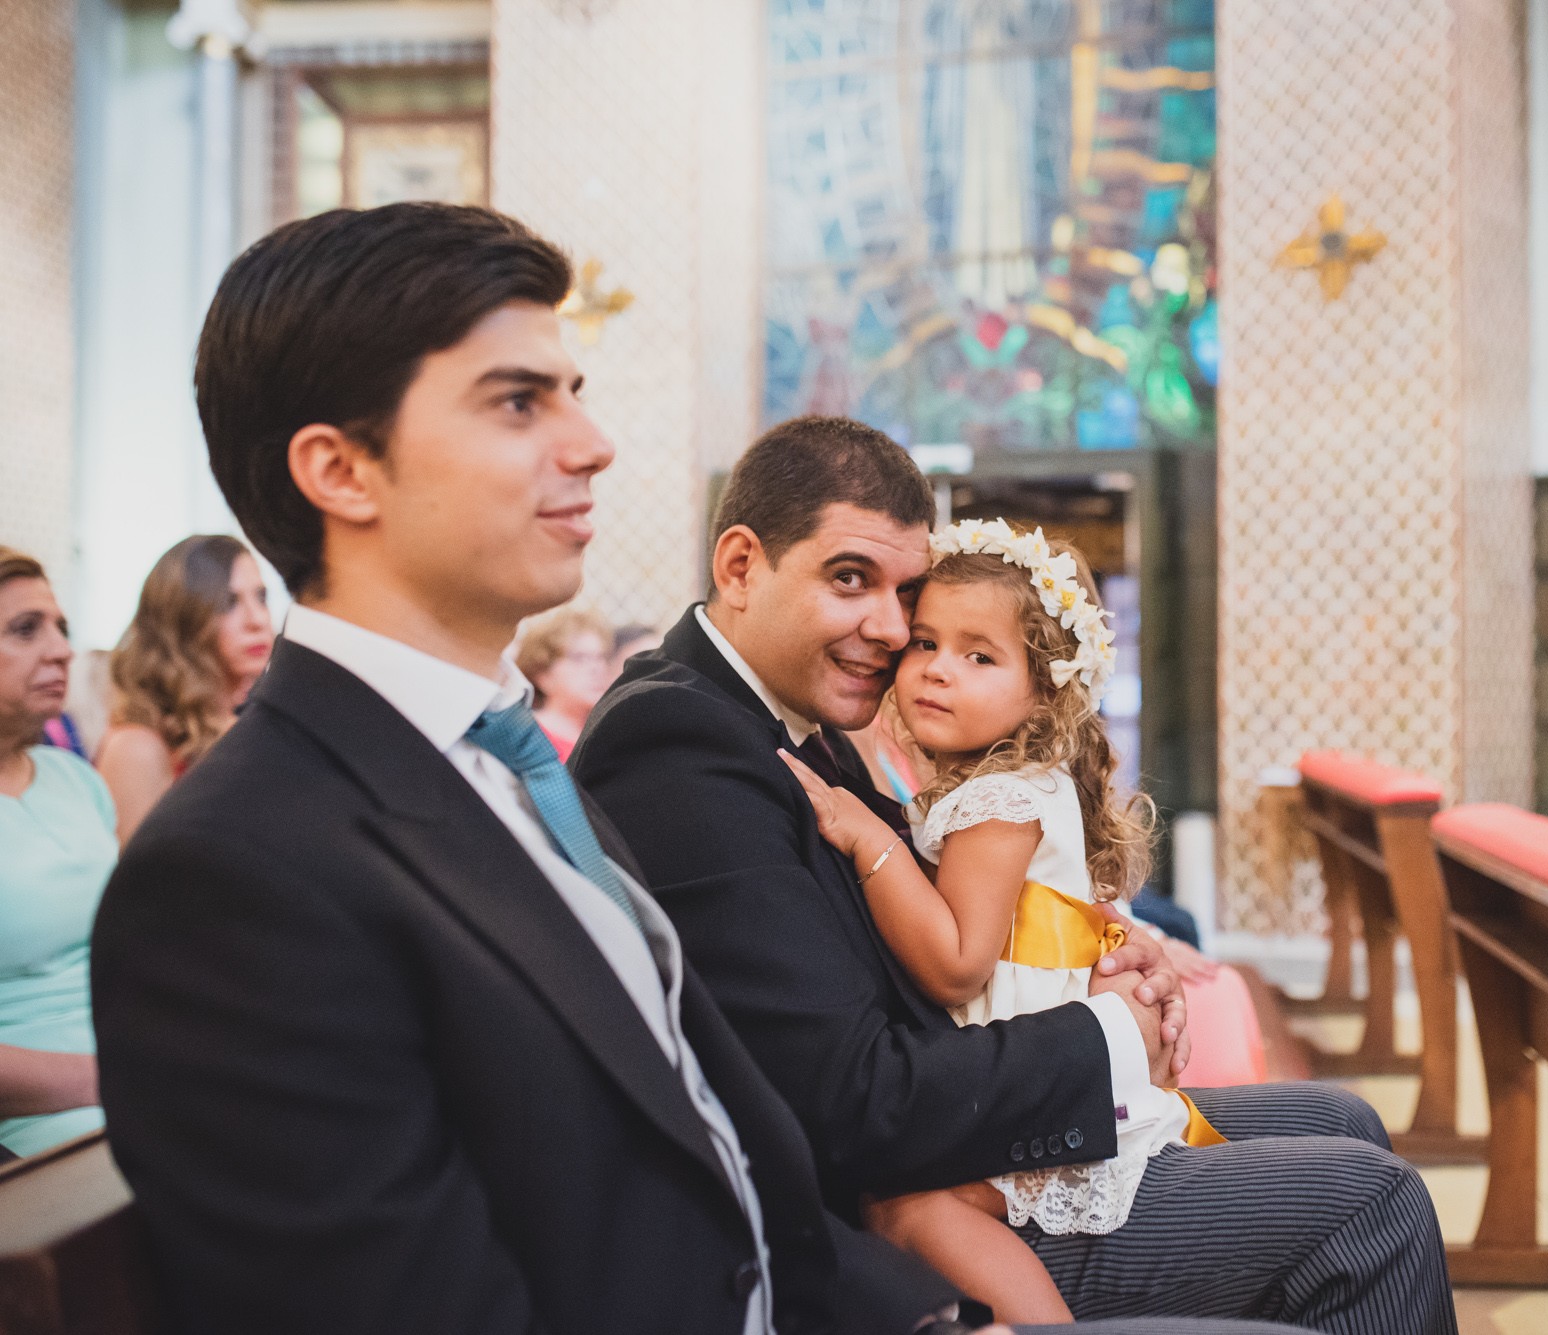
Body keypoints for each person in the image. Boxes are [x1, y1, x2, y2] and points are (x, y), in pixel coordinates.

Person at [88, 203, 1300, 1335]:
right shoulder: (239, 867)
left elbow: (734, 1134)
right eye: (518, 404)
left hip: (855, 1287)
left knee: (1346, 1177)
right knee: (1356, 1215)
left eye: (572, 393)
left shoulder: (511, 764)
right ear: (339, 471)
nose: (593, 444)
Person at [572, 416, 1458, 1334]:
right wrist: (1113, 1039)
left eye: (905, 591)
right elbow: (847, 1102)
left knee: (1341, 1121)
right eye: (850, 579)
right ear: (741, 564)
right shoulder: (676, 743)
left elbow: (947, 895)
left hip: (952, 1105)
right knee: (1370, 1205)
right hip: (881, 1214)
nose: (889, 628)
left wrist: (1113, 946)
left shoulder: (800, 721)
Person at [782, 522, 1226, 1324]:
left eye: (979, 656)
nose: (937, 670)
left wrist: (868, 838)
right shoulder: (1002, 782)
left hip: (1037, 1086)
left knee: (913, 1212)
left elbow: (956, 963)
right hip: (1044, 1069)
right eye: (925, 643)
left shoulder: (997, 800)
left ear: (1043, 691)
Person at [0, 547, 117, 1161]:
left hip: (141, 1074)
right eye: (26, 629)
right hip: (45, 1128)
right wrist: (110, 1077)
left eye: (62, 629)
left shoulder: (75, 780)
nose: (62, 650)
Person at [97, 534, 273, 843]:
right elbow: (139, 886)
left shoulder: (258, 720)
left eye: (261, 598)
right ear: (183, 620)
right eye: (229, 603)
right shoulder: (138, 748)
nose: (257, 620)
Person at [515, 604, 618, 761]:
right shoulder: (525, 736)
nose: (597, 668)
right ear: (542, 673)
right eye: (579, 658)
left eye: (601, 657)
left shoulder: (608, 734)